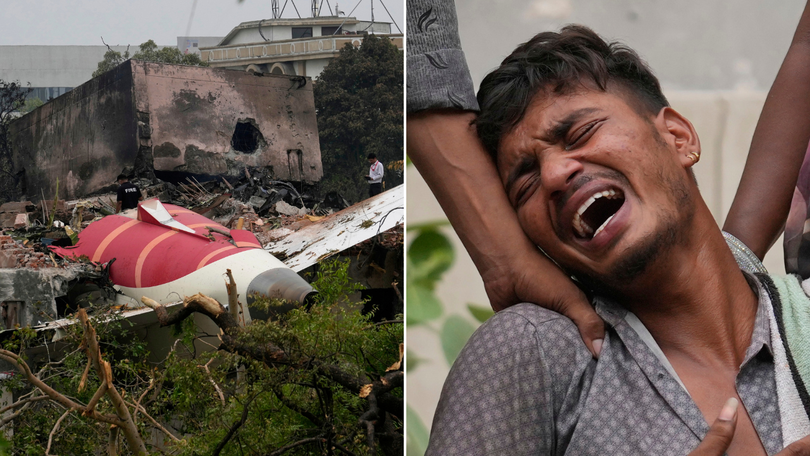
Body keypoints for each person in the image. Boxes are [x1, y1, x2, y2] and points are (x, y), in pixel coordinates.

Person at [424, 5, 810, 455]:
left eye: (581, 132)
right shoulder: (533, 355)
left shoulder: (798, 321)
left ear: (678, 137)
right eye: (524, 179)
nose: (553, 174)